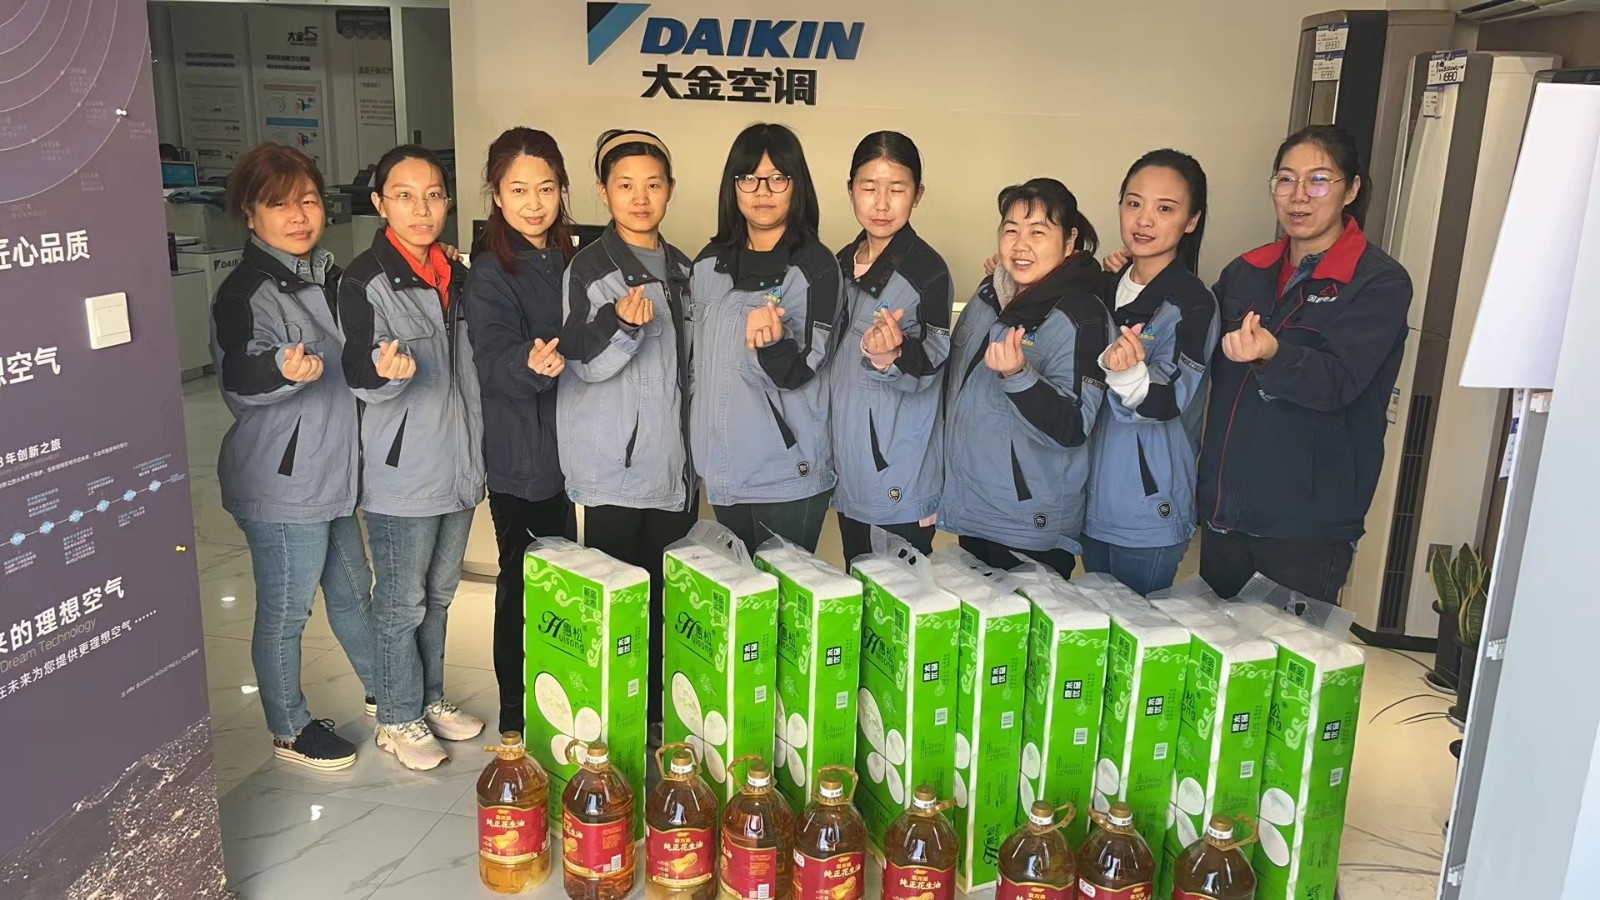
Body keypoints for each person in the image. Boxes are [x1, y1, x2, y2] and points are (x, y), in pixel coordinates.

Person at [210, 142, 378, 771]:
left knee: (354, 594)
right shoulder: (245, 291)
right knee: (286, 611)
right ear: (250, 214)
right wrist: (281, 366)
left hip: (332, 475)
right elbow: (238, 375)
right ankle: (288, 727)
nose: (299, 215)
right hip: (281, 483)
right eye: (279, 204)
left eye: (308, 200)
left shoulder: (331, 277)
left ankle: (389, 694)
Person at [1196, 124, 1413, 603]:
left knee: (1290, 650)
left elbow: (1338, 381)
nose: (1298, 196)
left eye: (1318, 180)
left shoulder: (1378, 282)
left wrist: (1274, 353)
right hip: (1225, 511)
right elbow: (1194, 337)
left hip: (1306, 525)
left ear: (1351, 190)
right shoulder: (1245, 272)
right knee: (1216, 646)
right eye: (1286, 180)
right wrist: (1137, 280)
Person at [339, 144, 487, 770]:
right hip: (403, 474)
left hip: (459, 464)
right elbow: (356, 364)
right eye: (404, 196)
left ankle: (428, 698)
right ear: (380, 204)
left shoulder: (459, 275)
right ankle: (397, 718)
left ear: (447, 202)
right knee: (402, 602)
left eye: (432, 196)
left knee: (440, 594)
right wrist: (383, 370)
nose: (421, 209)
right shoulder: (364, 279)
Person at [557, 129, 694, 733]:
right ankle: (609, 727)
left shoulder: (686, 269)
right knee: (616, 605)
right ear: (603, 191)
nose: (640, 198)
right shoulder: (589, 268)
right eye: (626, 185)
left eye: (653, 185)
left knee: (665, 601)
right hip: (614, 465)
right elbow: (583, 361)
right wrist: (622, 326)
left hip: (675, 466)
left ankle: (658, 720)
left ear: (670, 190)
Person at [465, 127, 578, 735]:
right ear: (496, 194)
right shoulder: (490, 272)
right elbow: (491, 361)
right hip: (524, 456)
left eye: (547, 188)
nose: (534, 203)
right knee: (522, 585)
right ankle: (515, 714)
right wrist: (529, 364)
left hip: (573, 451)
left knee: (564, 586)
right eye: (519, 190)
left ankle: (564, 700)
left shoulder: (576, 261)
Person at [942, 179, 1113, 578]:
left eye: (1038, 232)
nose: (1020, 245)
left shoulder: (1083, 315)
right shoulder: (989, 295)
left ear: (1069, 241)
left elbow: (1074, 427)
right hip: (974, 510)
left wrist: (1019, 375)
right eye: (1011, 230)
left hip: (1029, 524)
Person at [690, 123, 843, 556]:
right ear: (733, 185)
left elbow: (800, 370)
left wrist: (774, 345)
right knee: (738, 595)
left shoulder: (815, 268)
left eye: (777, 178)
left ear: (797, 185)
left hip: (786, 475)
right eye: (749, 177)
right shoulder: (707, 264)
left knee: (785, 596)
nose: (762, 191)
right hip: (722, 471)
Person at [1083, 150, 1218, 596]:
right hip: (1089, 500)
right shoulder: (1103, 288)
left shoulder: (1192, 303)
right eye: (1134, 203)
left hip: (1147, 508)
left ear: (1192, 221)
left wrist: (1128, 374)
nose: (1144, 220)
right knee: (1089, 630)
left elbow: (1170, 399)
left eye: (1165, 208)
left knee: (1136, 634)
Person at [829, 131, 951, 563]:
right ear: (850, 190)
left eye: (896, 189)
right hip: (850, 465)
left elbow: (934, 359)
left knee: (899, 593)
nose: (881, 204)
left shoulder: (928, 271)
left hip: (899, 467)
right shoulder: (840, 263)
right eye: (869, 187)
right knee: (857, 579)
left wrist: (895, 355)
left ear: (918, 194)